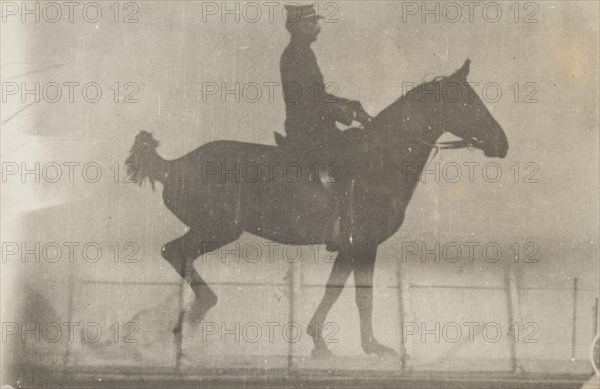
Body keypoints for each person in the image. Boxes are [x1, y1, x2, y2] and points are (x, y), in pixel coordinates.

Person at [279, 4, 371, 250]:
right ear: (298, 26)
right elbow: (311, 101)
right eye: (310, 22)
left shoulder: (303, 52)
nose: (316, 27)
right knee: (351, 154)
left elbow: (319, 94)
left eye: (315, 22)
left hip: (315, 128)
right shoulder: (297, 54)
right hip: (307, 131)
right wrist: (350, 114)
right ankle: (337, 229)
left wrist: (353, 106)